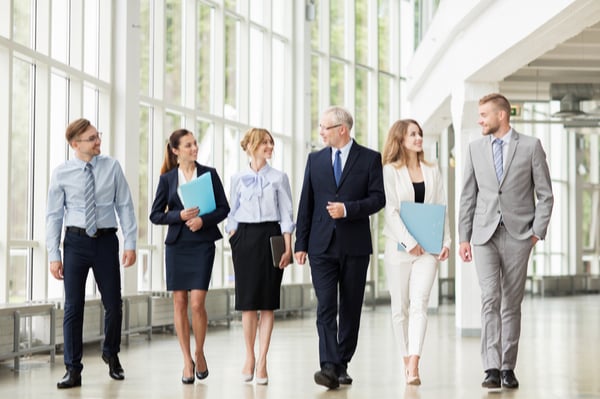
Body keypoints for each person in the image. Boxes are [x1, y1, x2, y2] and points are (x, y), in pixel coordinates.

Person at [458, 93, 553, 389]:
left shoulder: (530, 146)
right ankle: (491, 367)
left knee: (511, 302)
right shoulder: (474, 149)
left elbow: (546, 194)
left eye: (484, 114)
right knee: (490, 298)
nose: (480, 120)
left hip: (519, 235)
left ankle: (508, 367)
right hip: (483, 235)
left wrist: (537, 231)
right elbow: (467, 196)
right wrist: (464, 237)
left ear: (502, 115)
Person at [294, 106, 385, 389]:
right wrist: (301, 243)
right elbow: (305, 204)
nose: (320, 132)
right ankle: (328, 366)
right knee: (325, 307)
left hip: (354, 245)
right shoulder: (315, 160)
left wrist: (348, 209)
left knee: (350, 307)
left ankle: (342, 362)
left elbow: (378, 199)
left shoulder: (369, 159)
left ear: (342, 129)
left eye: (324, 127)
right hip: (320, 245)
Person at [46, 118, 138, 389]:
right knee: (73, 308)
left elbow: (125, 206)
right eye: (92, 138)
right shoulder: (61, 173)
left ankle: (111, 353)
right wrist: (54, 254)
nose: (98, 141)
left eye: (98, 136)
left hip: (106, 242)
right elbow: (53, 215)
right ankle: (73, 369)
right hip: (74, 243)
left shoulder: (112, 167)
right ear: (75, 144)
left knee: (113, 303)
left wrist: (130, 242)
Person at [149, 129, 229, 384]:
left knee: (197, 303)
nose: (194, 148)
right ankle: (186, 360)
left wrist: (203, 220)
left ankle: (200, 351)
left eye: (194, 144)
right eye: (188, 145)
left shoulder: (209, 174)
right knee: (180, 303)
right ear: (175, 151)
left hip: (202, 243)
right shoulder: (167, 179)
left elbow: (224, 208)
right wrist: (180, 216)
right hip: (177, 245)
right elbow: (155, 215)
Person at [382, 119, 451, 385]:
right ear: (400, 139)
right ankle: (404, 357)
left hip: (428, 249)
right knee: (400, 308)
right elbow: (390, 210)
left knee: (420, 302)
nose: (419, 137)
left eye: (420, 133)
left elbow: (441, 207)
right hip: (399, 248)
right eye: (413, 134)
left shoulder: (433, 171)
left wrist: (445, 241)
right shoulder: (389, 171)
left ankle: (414, 363)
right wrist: (409, 241)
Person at [225, 128, 295, 385]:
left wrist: (287, 248)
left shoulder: (279, 177)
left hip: (270, 238)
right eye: (264, 143)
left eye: (271, 143)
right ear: (251, 146)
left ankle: (263, 360)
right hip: (243, 237)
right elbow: (231, 211)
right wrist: (233, 234)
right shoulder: (237, 177)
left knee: (267, 303)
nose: (269, 147)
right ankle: (249, 357)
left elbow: (287, 215)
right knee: (247, 303)